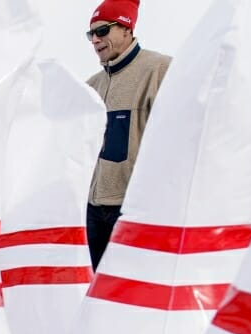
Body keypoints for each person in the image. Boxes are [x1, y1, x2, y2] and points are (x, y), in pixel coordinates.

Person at [85, 0, 171, 269]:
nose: (95, 40)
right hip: (92, 211)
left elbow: (190, 122)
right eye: (91, 34)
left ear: (126, 28)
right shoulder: (91, 87)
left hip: (131, 209)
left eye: (102, 31)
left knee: (126, 292)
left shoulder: (159, 70)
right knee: (91, 293)